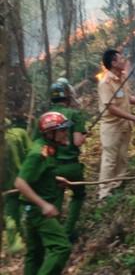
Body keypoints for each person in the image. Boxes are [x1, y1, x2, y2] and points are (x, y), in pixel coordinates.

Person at [14, 111, 73, 275]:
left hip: (30, 210)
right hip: (37, 211)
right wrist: (44, 205)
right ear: (49, 132)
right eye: (61, 130)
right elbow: (20, 183)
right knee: (62, 247)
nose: (65, 133)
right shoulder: (38, 153)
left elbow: (39, 175)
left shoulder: (49, 148)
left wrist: (54, 179)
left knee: (35, 254)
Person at [97, 49, 135, 200]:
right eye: (121, 58)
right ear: (114, 63)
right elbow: (111, 107)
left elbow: (128, 97)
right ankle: (104, 192)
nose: (124, 60)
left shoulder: (122, 77)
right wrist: (133, 118)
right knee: (110, 159)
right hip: (111, 128)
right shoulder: (105, 83)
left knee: (122, 157)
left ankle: (117, 185)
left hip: (124, 126)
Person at [48, 80, 89, 242]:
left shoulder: (47, 117)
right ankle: (67, 231)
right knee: (79, 195)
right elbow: (78, 141)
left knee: (56, 199)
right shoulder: (73, 115)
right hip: (72, 166)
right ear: (68, 96)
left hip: (53, 167)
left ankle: (54, 235)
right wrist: (85, 135)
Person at [3, 115, 32, 253]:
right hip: (25, 180)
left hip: (7, 186)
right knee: (28, 211)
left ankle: (15, 246)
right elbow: (32, 154)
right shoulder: (19, 133)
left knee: (11, 215)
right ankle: (27, 240)